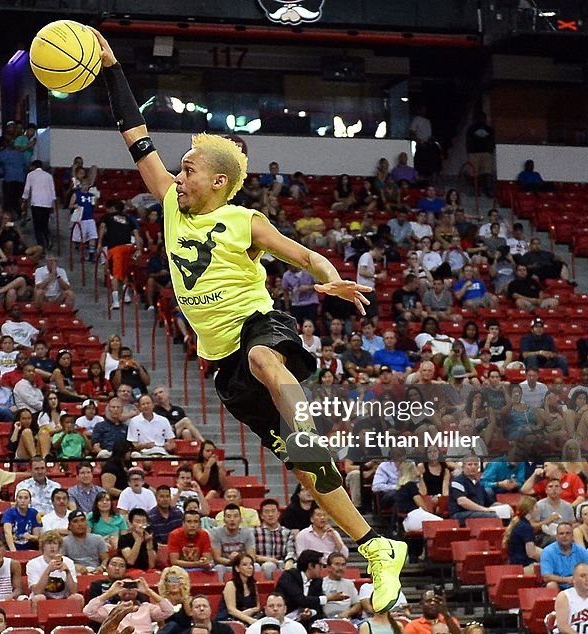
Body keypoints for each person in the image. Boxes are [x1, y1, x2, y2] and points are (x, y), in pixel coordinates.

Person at [91, 28, 404, 612]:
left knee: (264, 360)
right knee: (308, 475)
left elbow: (303, 254)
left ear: (217, 181)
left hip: (261, 328)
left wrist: (327, 273)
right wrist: (112, 70)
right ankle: (376, 546)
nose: (176, 176)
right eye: (177, 170)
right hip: (222, 362)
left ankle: (305, 422)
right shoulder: (167, 203)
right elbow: (134, 134)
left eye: (186, 170)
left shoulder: (246, 220)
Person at [276, 550, 346, 625]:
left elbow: (317, 607)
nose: (322, 568)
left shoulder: (317, 581)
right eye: (320, 565)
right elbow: (300, 599)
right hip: (284, 617)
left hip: (303, 620)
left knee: (321, 619)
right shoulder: (289, 576)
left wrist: (311, 612)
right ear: (310, 566)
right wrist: (329, 598)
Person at [83, 576, 175, 634]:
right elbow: (88, 612)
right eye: (124, 586)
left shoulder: (147, 607)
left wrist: (148, 591)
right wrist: (110, 592)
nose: (128, 589)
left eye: (131, 586)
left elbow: (169, 611)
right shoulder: (111, 609)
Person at [26, 531, 83, 602]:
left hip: (63, 598)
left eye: (55, 543)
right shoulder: (33, 563)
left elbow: (73, 591)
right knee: (39, 598)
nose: (52, 547)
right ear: (42, 546)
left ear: (59, 546)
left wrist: (68, 572)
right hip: (43, 598)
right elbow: (37, 591)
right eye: (49, 543)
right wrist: (48, 571)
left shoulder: (68, 562)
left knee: (78, 597)